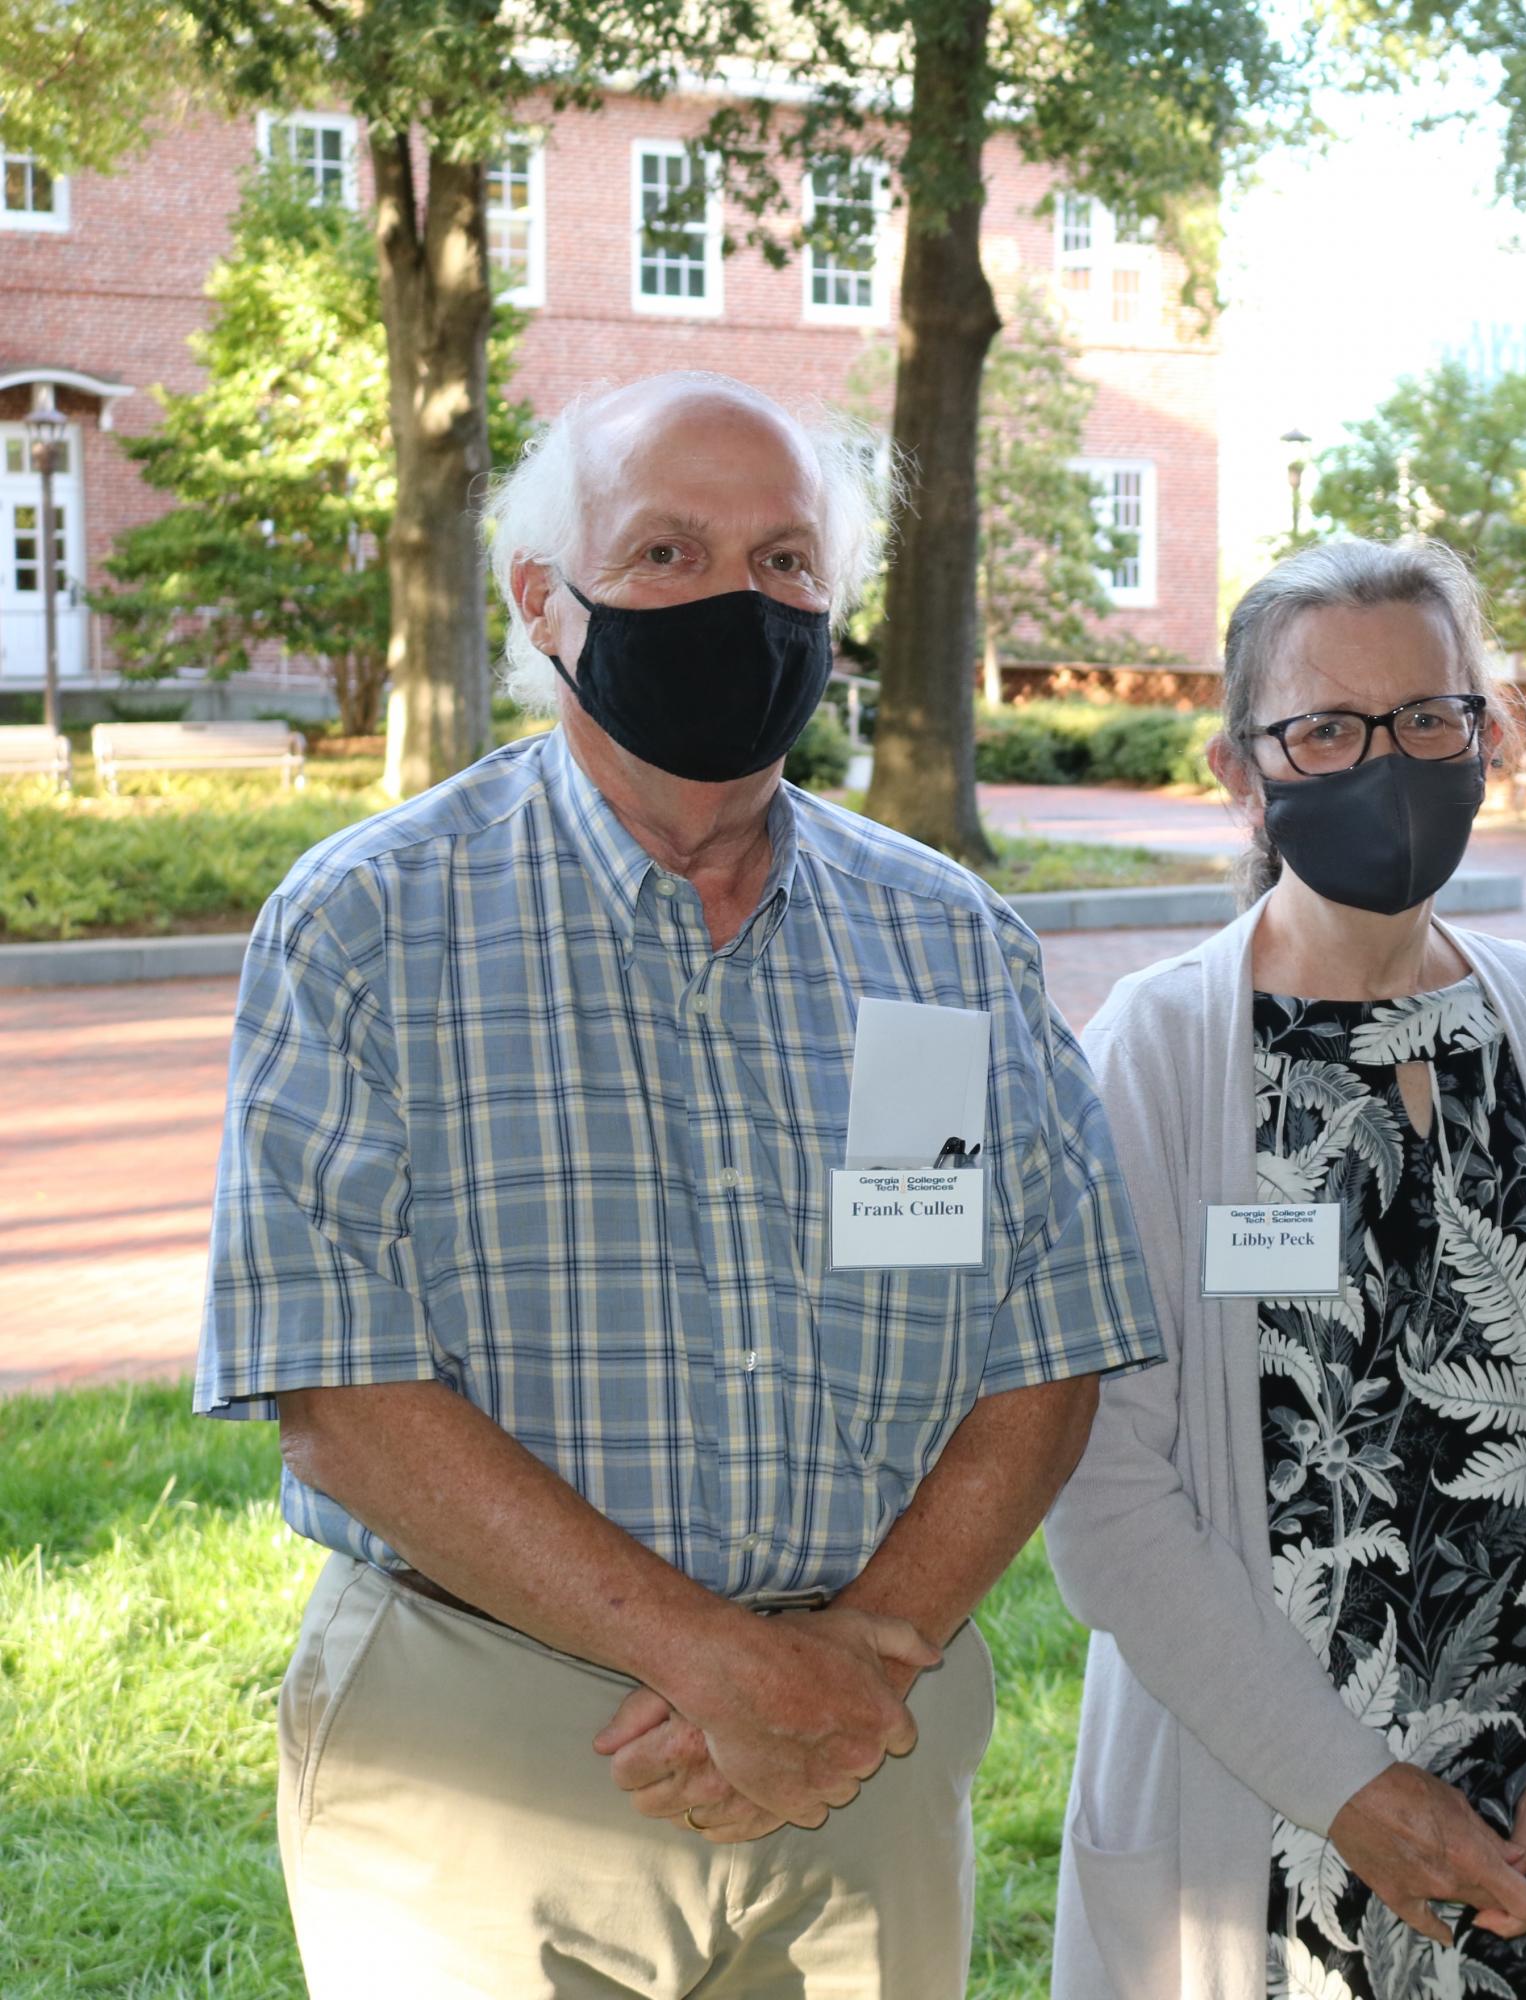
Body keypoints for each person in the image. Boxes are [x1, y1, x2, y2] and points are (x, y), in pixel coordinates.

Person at [195, 370, 1163, 1996]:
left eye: (786, 563)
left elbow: (1047, 1347)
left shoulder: (948, 945)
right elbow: (339, 1395)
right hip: (490, 1750)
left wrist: (849, 1664)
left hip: (869, 1732)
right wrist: (713, 1664)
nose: (740, 602)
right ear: (544, 603)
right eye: (667, 554)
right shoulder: (367, 923)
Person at [1043, 538, 1526, 1999]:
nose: (1387, 764)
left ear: (1487, 735)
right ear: (1241, 766)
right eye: (1328, 730)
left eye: (1429, 719)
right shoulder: (1154, 1055)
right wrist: (1350, 1788)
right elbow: (1106, 1497)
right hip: (1265, 1815)